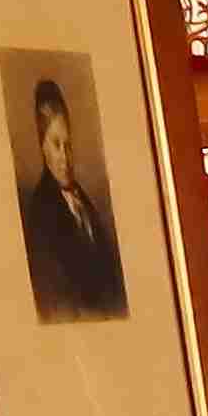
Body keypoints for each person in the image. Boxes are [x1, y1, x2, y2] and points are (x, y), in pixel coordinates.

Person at [16, 74, 128, 321]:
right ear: (42, 147)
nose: (65, 157)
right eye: (56, 144)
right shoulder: (41, 211)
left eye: (68, 145)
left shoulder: (83, 203)